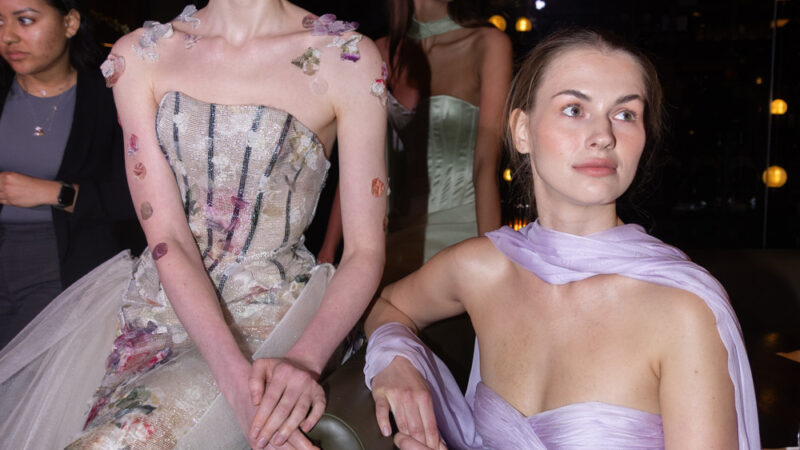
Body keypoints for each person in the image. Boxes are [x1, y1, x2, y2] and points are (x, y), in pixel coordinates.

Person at [0, 1, 386, 448]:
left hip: (276, 316)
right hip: (159, 311)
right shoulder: (141, 53)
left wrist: (304, 361)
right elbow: (167, 237)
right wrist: (236, 385)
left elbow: (365, 251)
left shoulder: (347, 56)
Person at [364, 28, 760, 449]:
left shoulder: (683, 310)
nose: (604, 135)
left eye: (625, 114)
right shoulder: (483, 269)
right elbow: (387, 308)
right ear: (522, 131)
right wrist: (395, 360)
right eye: (574, 109)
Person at [319, 0, 511, 282]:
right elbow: (359, 166)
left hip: (462, 232)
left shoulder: (488, 44)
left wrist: (492, 260)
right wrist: (327, 252)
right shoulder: (377, 51)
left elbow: (486, 164)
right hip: (391, 239)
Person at [0, 0, 141, 348]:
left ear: (70, 23)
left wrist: (57, 193)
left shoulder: (112, 96)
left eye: (25, 20)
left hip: (67, 267)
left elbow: (141, 196)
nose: (8, 36)